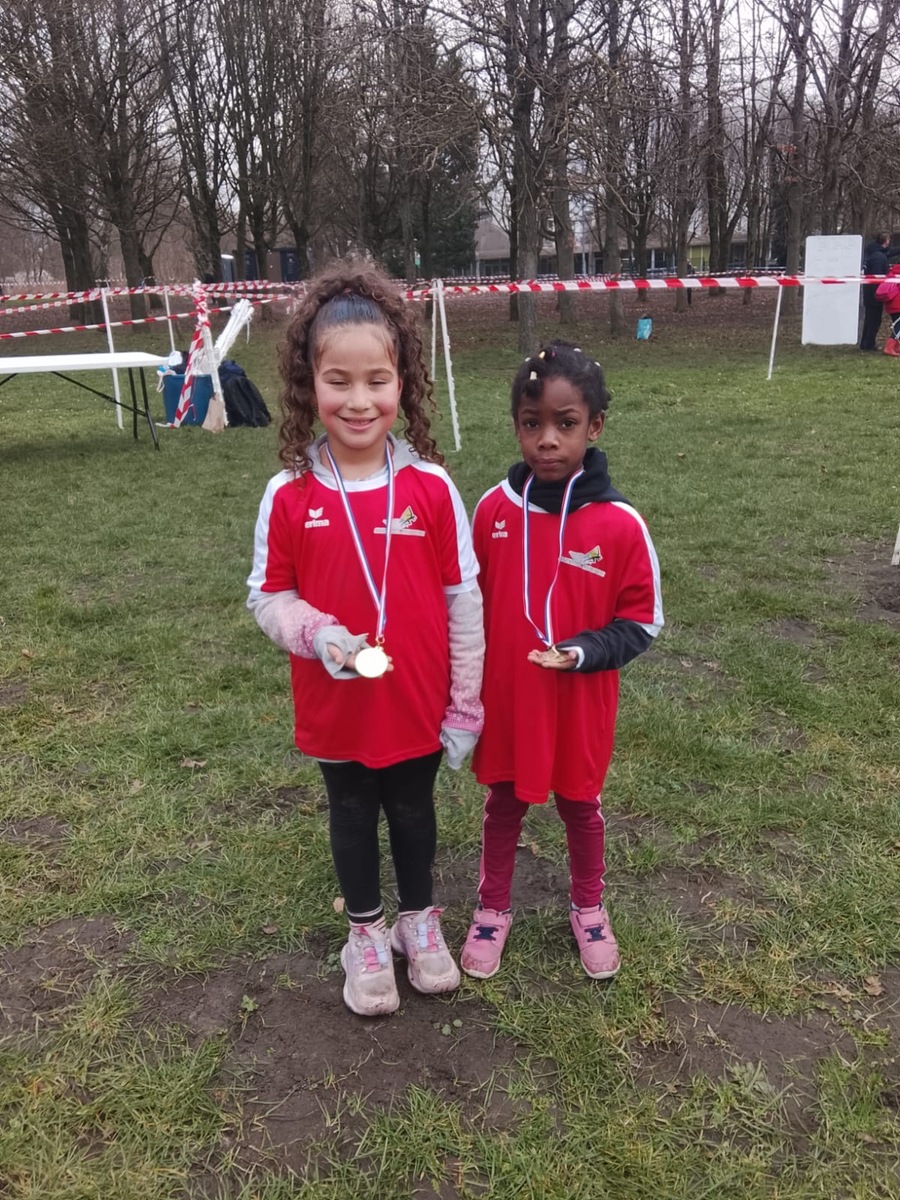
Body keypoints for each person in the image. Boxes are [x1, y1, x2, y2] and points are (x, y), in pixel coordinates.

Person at [247, 262, 484, 1017]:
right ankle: (366, 935)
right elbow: (267, 597)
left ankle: (418, 919)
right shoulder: (290, 493)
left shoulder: (432, 487)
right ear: (307, 384)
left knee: (413, 808)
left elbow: (463, 600)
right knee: (350, 809)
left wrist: (466, 702)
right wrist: (314, 630)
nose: (358, 401)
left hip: (417, 699)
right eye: (338, 381)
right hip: (337, 702)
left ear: (402, 383)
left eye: (377, 381)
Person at [460, 342, 663, 982]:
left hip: (579, 703)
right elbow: (464, 606)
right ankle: (493, 907)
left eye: (565, 423)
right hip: (509, 701)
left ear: (594, 426)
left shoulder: (620, 524)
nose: (547, 439)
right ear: (517, 425)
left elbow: (643, 621)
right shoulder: (493, 511)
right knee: (503, 802)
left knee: (581, 804)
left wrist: (582, 651)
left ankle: (589, 906)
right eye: (532, 423)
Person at [860, 233, 894, 351]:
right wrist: (880, 293)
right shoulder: (879, 257)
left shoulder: (874, 253)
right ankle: (869, 344)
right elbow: (877, 277)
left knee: (870, 319)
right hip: (874, 294)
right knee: (874, 320)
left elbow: (891, 252)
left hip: (870, 292)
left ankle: (865, 343)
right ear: (886, 240)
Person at [876, 263, 900, 357]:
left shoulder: (892, 272)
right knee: (898, 327)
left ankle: (897, 346)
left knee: (897, 325)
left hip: (891, 302)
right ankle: (889, 347)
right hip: (898, 303)